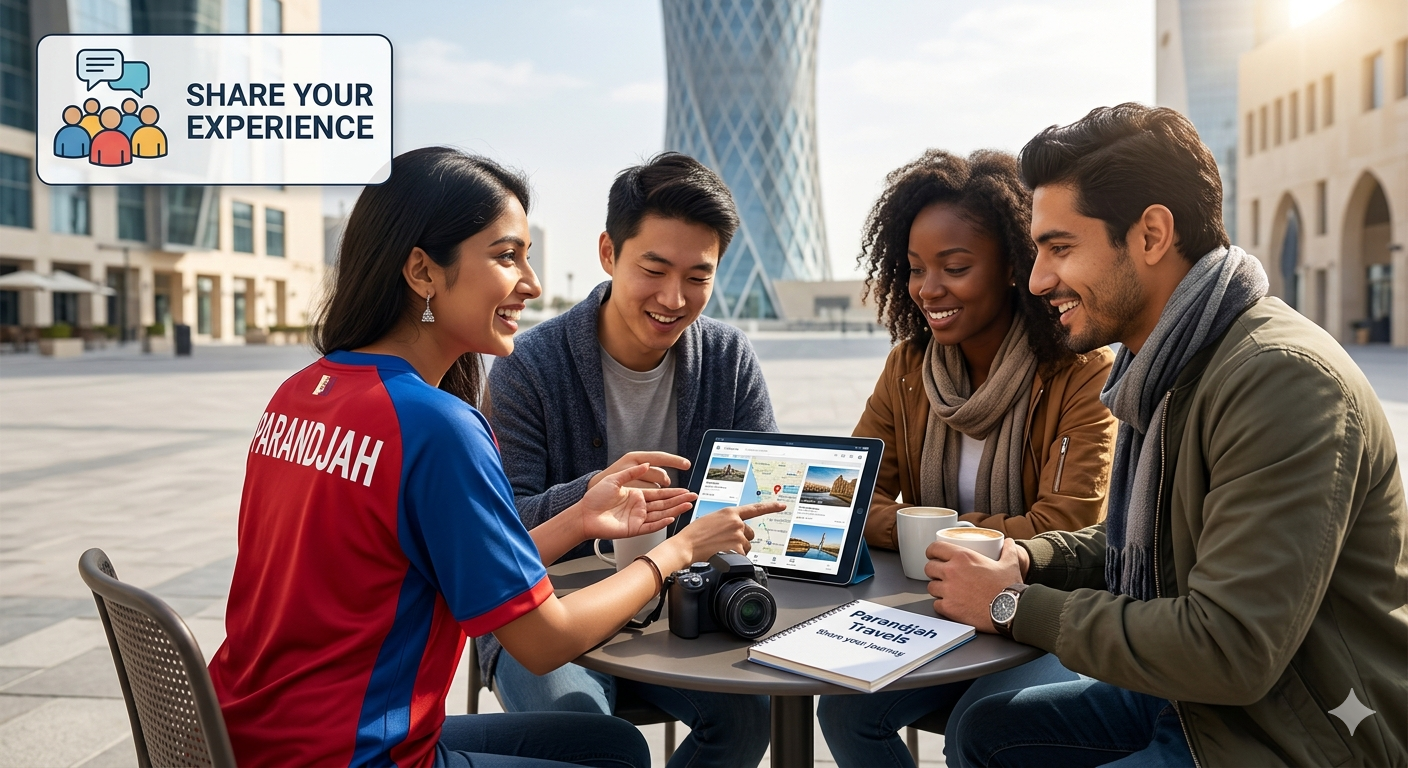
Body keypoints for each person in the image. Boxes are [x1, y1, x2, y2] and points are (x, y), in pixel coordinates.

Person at [207, 146, 783, 768]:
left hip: (255, 733)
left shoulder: (298, 393)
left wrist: (579, 517)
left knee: (608, 746)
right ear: (423, 272)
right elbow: (543, 642)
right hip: (357, 752)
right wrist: (676, 553)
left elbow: (460, 565)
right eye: (508, 256)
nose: (533, 284)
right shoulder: (437, 427)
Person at [928, 104, 1406, 767]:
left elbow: (1230, 649)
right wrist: (1033, 561)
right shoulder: (1169, 362)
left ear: (1151, 234)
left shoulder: (1281, 380)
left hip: (1297, 732)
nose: (1037, 279)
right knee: (985, 732)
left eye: (1060, 247)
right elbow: (1155, 537)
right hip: (1189, 704)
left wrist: (1012, 605)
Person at [816, 149, 1117, 767]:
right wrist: (924, 533)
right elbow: (843, 492)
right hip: (936, 610)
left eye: (954, 267)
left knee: (981, 727)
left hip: (1038, 613)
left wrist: (922, 528)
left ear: (1012, 265)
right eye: (915, 268)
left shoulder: (1080, 371)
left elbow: (1062, 528)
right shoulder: (908, 367)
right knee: (844, 708)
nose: (929, 289)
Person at [476, 152, 777, 768]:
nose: (674, 297)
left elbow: (764, 489)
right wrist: (596, 498)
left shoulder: (727, 357)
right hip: (545, 616)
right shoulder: (528, 367)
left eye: (698, 276)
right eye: (655, 269)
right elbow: (500, 534)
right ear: (609, 253)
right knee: (580, 730)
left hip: (679, 608)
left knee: (746, 719)